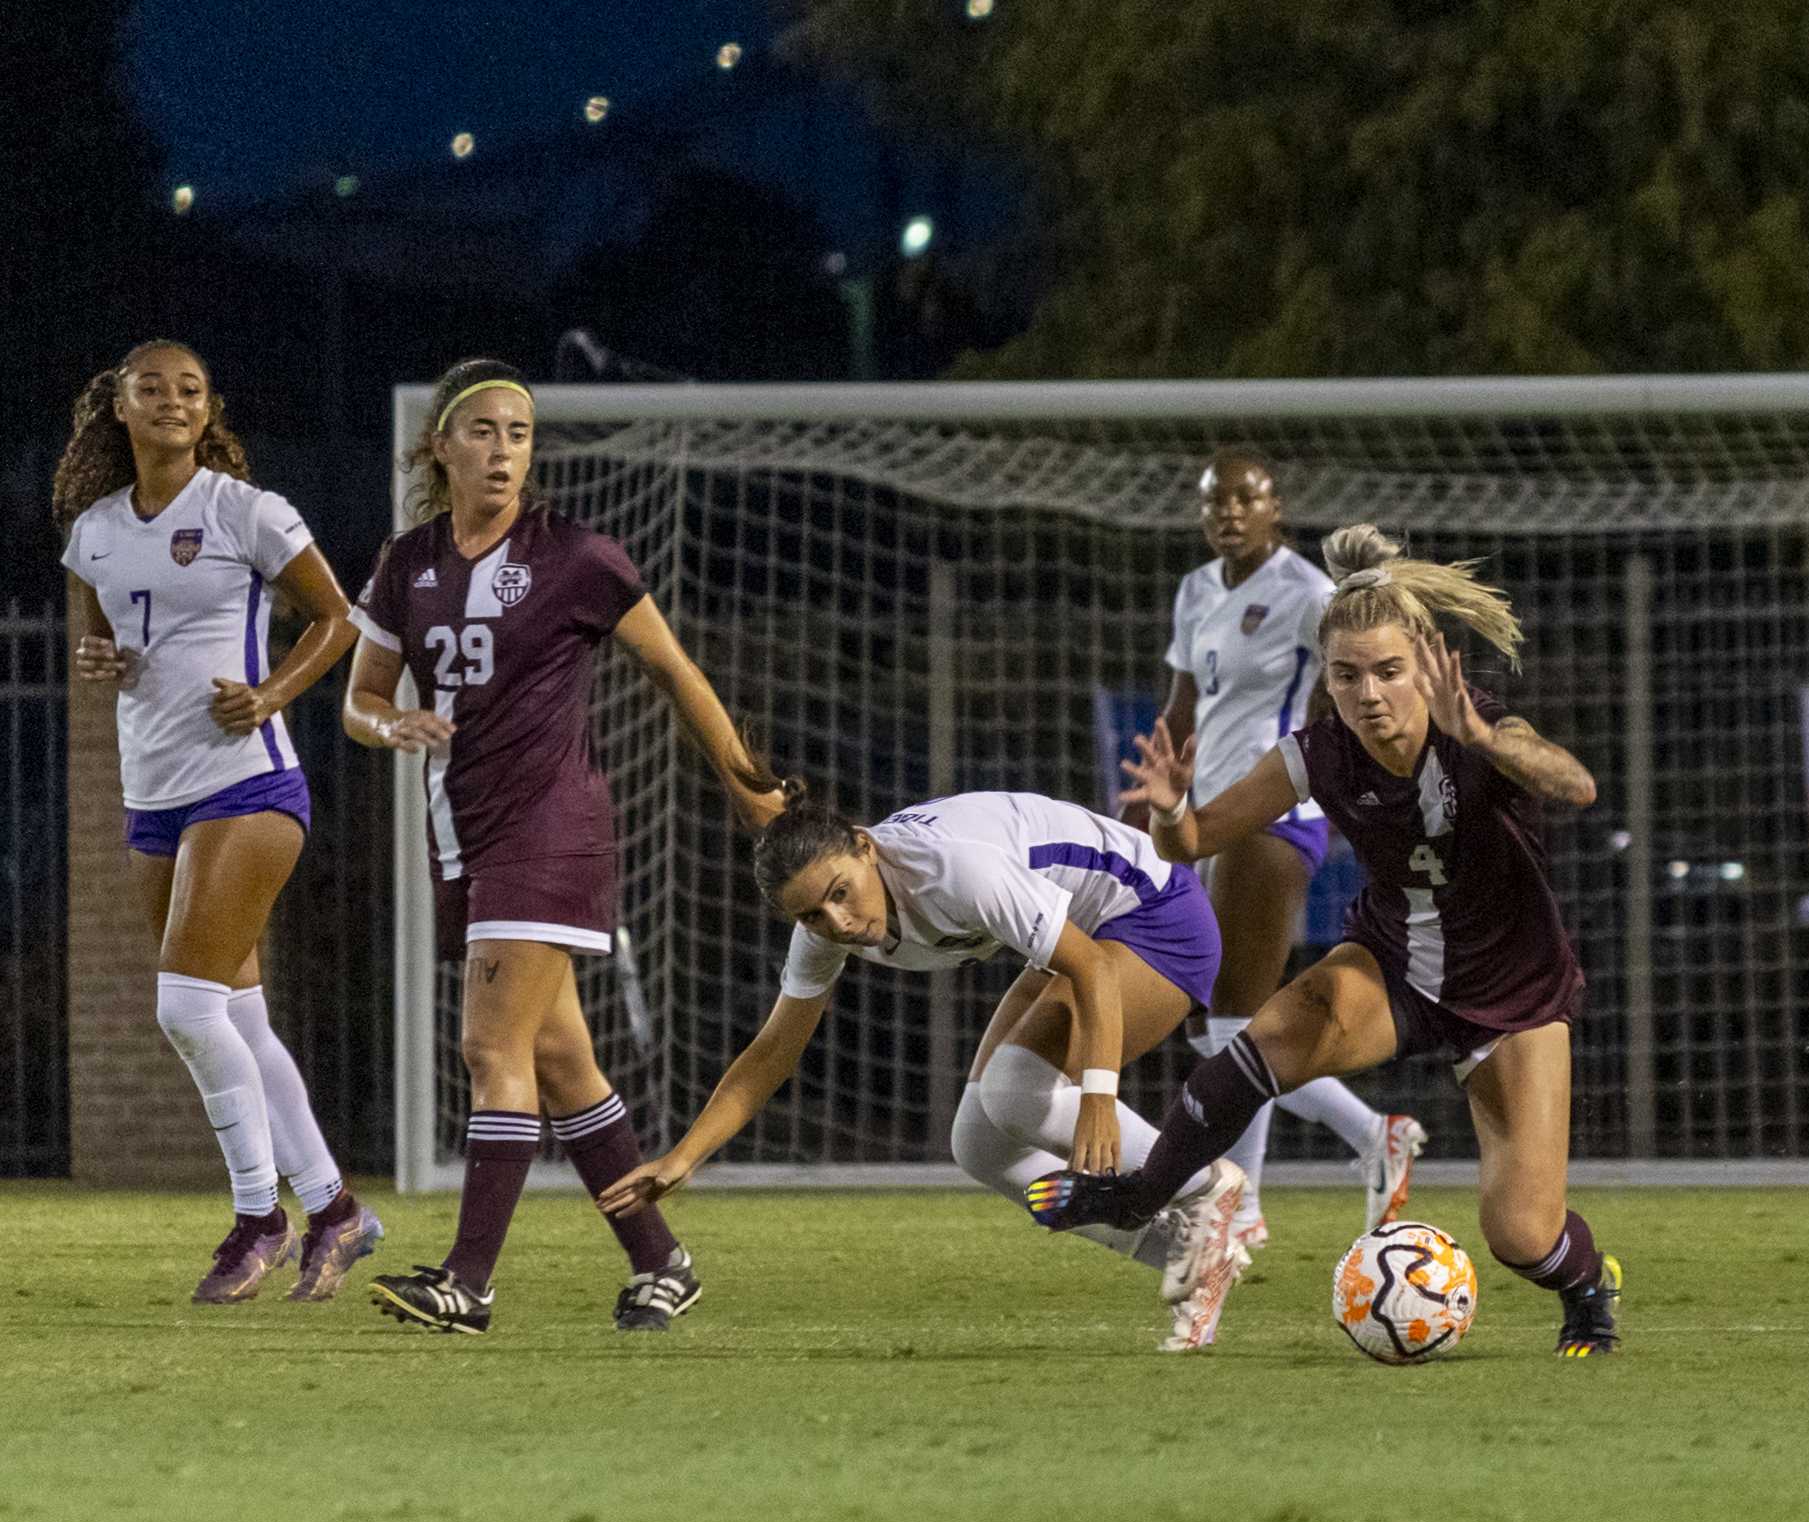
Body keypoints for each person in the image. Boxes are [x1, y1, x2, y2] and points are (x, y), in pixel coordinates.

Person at [1028, 525, 1621, 1358]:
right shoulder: (1316, 754)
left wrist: (1487, 741)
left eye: (1386, 671)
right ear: (1326, 681)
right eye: (1346, 676)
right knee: (1267, 1030)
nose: (1369, 693)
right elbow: (1192, 839)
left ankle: (1589, 1288)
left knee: (1521, 1232)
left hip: (1512, 990)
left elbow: (1577, 784)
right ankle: (1140, 1195)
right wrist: (1167, 808)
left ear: (1423, 661)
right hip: (1395, 966)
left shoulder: (1475, 724)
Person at [343, 358, 784, 1333]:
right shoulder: (405, 561)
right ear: (439, 445)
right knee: (558, 1058)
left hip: (550, 830)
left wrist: (745, 781)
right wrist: (391, 726)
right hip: (461, 829)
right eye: (484, 430)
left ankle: (467, 1280)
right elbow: (361, 700)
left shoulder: (575, 555)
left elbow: (674, 668)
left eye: (519, 433)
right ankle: (660, 1257)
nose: (504, 450)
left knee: (487, 1042)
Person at [595, 787, 1250, 1353]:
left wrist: (1099, 1099)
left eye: (839, 894)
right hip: (1085, 935)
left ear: (863, 845)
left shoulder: (953, 870)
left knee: (1016, 1089)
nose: (839, 922)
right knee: (979, 1141)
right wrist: (684, 1156)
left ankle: (1204, 1185)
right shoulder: (825, 930)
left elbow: (1092, 969)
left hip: (1156, 917)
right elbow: (772, 1050)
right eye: (810, 914)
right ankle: (1184, 1256)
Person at [53, 338, 383, 1303]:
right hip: (152, 790)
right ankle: (334, 1211)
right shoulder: (94, 531)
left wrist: (274, 692)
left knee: (182, 1005)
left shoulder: (246, 509)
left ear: (209, 409)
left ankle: (259, 1218)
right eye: (149, 387)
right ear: (118, 406)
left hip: (248, 784)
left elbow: (338, 618)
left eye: (188, 389)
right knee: (238, 1014)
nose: (170, 400)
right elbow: (100, 640)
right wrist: (97, 662)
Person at [1142, 453, 1425, 1249]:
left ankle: (1244, 1203)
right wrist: (1148, 801)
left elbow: (1336, 695)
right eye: (1214, 501)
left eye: (1246, 497)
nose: (1229, 511)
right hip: (1201, 818)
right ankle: (1375, 1135)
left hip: (1273, 812)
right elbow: (1180, 704)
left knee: (1235, 1015)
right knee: (1209, 1026)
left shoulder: (1309, 593)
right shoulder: (1196, 589)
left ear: (1276, 509)